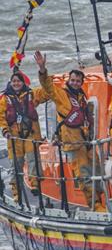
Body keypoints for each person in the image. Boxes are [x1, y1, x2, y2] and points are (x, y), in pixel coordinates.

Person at [34, 50, 105, 212]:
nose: (75, 83)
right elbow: (48, 86)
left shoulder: (81, 97)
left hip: (86, 141)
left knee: (98, 172)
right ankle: (95, 206)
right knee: (84, 175)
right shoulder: (61, 95)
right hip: (73, 143)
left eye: (78, 81)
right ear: (69, 81)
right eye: (72, 80)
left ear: (81, 82)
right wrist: (42, 69)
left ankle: (102, 199)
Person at [0, 72, 49, 200]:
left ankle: (35, 185)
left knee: (33, 159)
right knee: (16, 163)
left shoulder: (31, 94)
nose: (16, 83)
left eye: (19, 81)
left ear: (23, 82)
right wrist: (5, 130)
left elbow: (45, 94)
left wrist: (46, 76)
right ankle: (16, 192)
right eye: (14, 81)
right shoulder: (5, 99)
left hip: (30, 134)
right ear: (10, 83)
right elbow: (1, 116)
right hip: (14, 137)